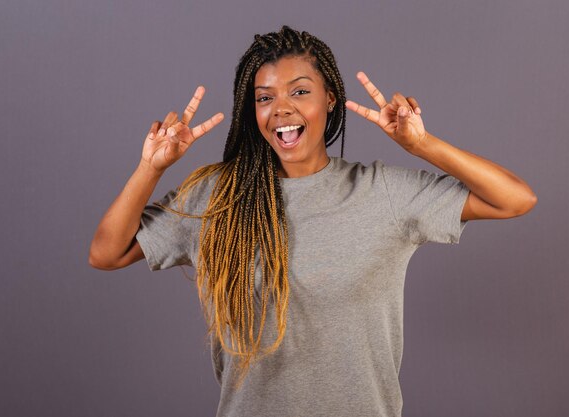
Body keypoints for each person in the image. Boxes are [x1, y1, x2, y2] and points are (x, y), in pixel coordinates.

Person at [89, 26, 537, 417]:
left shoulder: (381, 193)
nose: (281, 109)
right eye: (265, 98)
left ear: (330, 99)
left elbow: (514, 199)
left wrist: (423, 146)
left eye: (299, 91)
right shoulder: (217, 198)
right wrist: (152, 167)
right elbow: (107, 253)